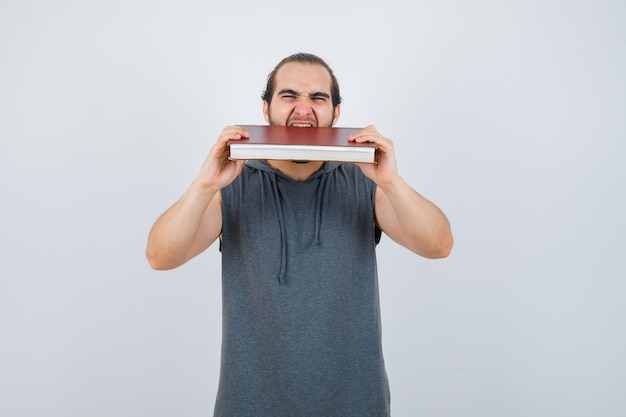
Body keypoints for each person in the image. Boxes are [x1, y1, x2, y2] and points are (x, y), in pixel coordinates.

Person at [146, 52, 453, 417]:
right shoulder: (232, 185)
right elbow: (160, 257)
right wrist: (203, 185)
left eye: (318, 98)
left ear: (336, 113)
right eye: (289, 96)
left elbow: (439, 246)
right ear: (267, 109)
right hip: (249, 406)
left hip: (355, 406)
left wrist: (392, 182)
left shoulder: (364, 182)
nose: (303, 109)